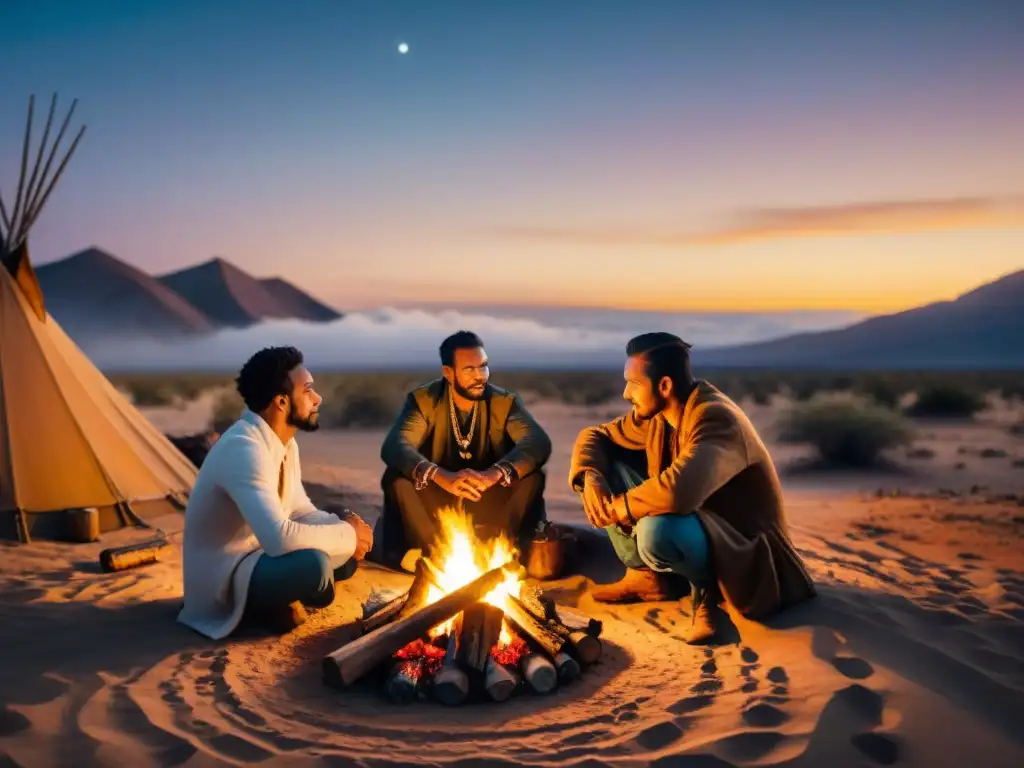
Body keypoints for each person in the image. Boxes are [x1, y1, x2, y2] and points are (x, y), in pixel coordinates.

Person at [569, 333, 815, 644]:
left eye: (633, 383)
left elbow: (678, 493)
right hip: (704, 529)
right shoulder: (661, 414)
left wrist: (617, 508)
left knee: (657, 531)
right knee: (606, 466)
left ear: (665, 386)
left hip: (747, 550)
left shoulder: (716, 418)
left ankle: (707, 597)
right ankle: (648, 578)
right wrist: (591, 477)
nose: (625, 392)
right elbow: (595, 436)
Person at [178, 346, 374, 639]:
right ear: (282, 402)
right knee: (316, 566)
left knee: (345, 554)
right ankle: (268, 606)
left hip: (259, 555)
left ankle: (281, 600)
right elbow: (280, 537)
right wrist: (346, 535)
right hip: (226, 576)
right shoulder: (244, 447)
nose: (317, 398)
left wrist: (348, 530)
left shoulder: (284, 444)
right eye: (307, 391)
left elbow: (300, 511)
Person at [375, 331, 552, 569]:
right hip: (438, 497)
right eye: (470, 370)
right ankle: (434, 554)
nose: (479, 376)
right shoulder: (425, 400)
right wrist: (441, 476)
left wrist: (494, 474)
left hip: (488, 494)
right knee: (397, 478)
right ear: (448, 373)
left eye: (483, 367)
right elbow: (396, 445)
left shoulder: (504, 402)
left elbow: (537, 441)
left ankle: (501, 549)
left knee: (532, 476)